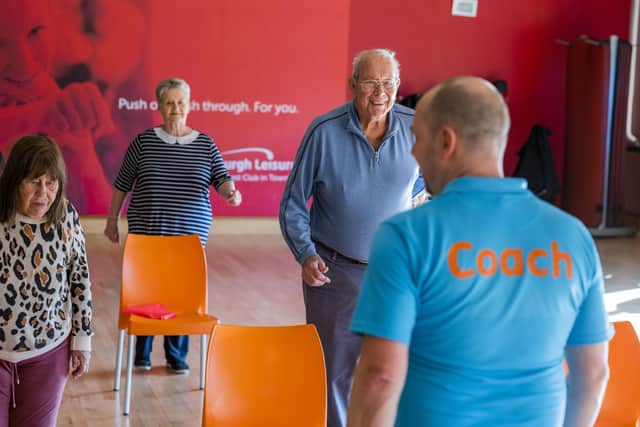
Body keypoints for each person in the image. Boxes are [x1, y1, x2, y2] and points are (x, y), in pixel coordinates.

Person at [347, 77, 612, 427]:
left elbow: (380, 376)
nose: (413, 153)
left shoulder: (407, 235)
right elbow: (593, 375)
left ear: (446, 141)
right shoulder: (572, 236)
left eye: (418, 140)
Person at [279, 48, 423, 427]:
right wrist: (305, 255)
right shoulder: (323, 132)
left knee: (391, 371)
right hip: (334, 272)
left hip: (395, 275)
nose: (381, 92)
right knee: (334, 375)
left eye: (389, 83)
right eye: (371, 83)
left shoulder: (416, 127)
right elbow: (293, 203)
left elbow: (428, 186)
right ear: (353, 85)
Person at [104, 77, 242, 374]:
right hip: (147, 237)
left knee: (180, 296)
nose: (175, 108)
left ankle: (176, 355)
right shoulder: (143, 142)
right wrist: (111, 220)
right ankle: (141, 353)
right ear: (158, 107)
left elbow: (221, 178)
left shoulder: (205, 143)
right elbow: (122, 184)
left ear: (189, 105)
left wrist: (231, 192)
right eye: (169, 103)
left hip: (189, 241)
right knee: (146, 294)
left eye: (181, 102)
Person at [0, 134, 93, 426]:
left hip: (48, 351)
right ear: (14, 180)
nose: (43, 193)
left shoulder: (66, 216)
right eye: (33, 181)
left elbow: (80, 278)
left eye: (51, 182)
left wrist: (82, 340)